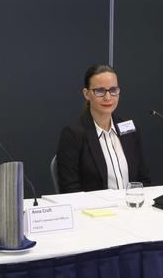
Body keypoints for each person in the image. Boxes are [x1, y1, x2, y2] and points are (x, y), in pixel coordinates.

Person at [56, 64, 150, 193]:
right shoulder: (73, 134)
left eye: (113, 90)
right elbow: (70, 189)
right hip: (94, 211)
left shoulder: (130, 130)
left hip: (131, 208)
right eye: (100, 91)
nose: (108, 97)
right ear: (86, 94)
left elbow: (144, 180)